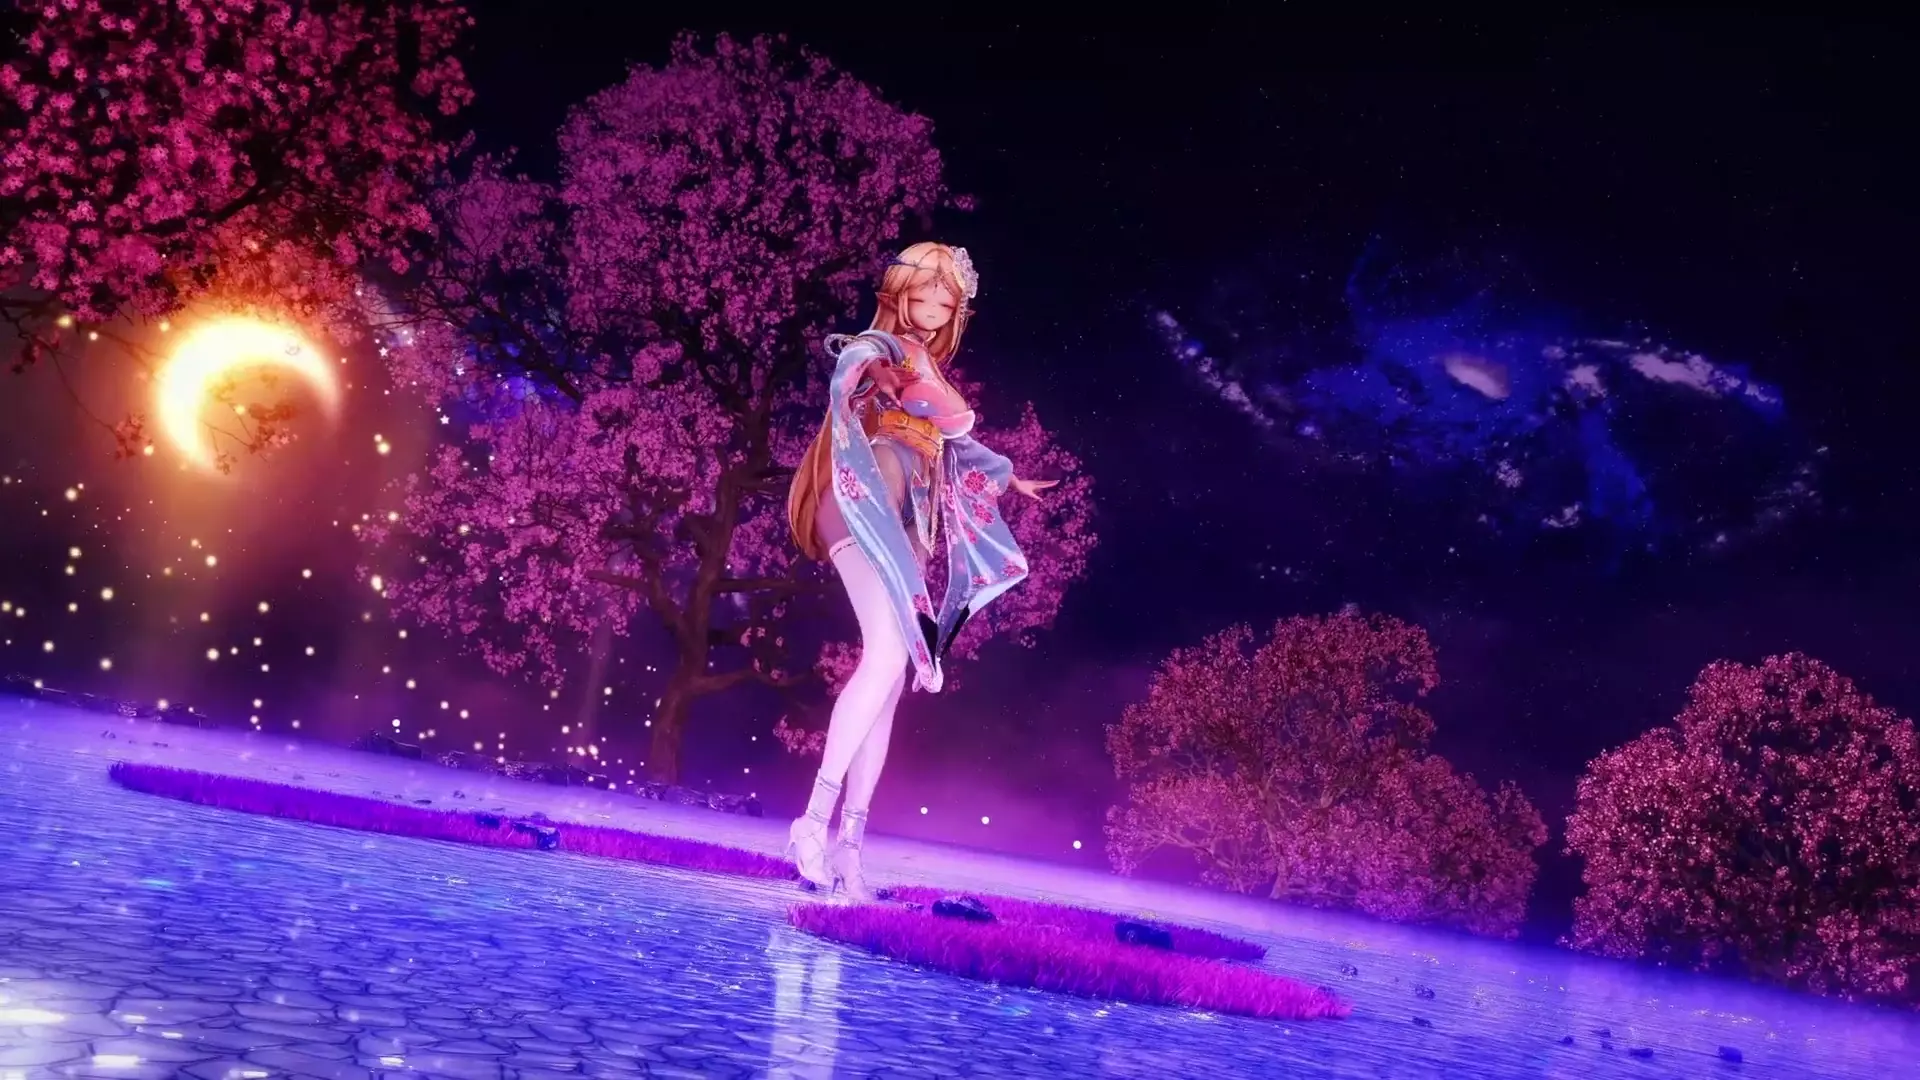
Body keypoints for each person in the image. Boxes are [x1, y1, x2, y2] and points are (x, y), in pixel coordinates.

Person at [784, 242, 1057, 899]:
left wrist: (1008, 476)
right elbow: (851, 360)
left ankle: (850, 845)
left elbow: (960, 442)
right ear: (900, 292)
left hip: (912, 515)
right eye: (924, 293)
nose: (933, 307)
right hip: (867, 498)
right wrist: (869, 372)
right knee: (884, 655)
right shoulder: (885, 345)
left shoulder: (928, 362)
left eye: (945, 299)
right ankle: (812, 823)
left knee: (889, 679)